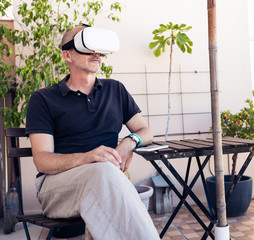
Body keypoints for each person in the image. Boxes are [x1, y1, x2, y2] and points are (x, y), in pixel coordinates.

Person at [25, 25, 160, 240]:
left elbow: (145, 131)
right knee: (103, 172)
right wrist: (89, 158)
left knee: (105, 180)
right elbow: (42, 161)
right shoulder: (43, 99)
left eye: (98, 46)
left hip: (105, 182)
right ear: (67, 54)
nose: (96, 52)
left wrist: (129, 141)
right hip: (56, 187)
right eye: (86, 44)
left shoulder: (115, 90)